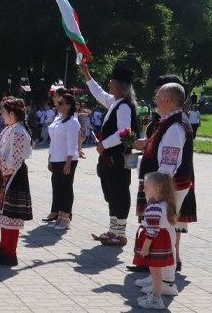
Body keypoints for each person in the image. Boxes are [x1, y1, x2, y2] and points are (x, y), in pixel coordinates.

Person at [130, 83, 195, 296]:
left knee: (164, 230)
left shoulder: (175, 126)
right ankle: (158, 275)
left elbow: (168, 164)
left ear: (168, 100)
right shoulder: (169, 122)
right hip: (165, 185)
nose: (155, 98)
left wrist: (156, 192)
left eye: (158, 95)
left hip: (169, 186)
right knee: (163, 229)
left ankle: (166, 281)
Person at [80, 62, 140, 246]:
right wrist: (87, 75)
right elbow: (99, 94)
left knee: (119, 193)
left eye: (112, 82)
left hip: (117, 158)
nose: (109, 85)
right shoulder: (116, 102)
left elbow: (125, 132)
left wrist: (103, 145)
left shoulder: (123, 106)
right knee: (111, 193)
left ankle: (120, 233)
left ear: (120, 86)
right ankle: (113, 230)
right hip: (110, 158)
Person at [0, 97, 33, 266]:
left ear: (12, 113)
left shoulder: (18, 132)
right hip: (7, 175)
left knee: (12, 216)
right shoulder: (11, 129)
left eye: (3, 112)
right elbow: (0, 150)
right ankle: (4, 246)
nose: (1, 115)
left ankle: (10, 253)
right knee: (4, 214)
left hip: (14, 176)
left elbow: (14, 162)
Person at [132, 172, 177, 310]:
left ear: (157, 189)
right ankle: (154, 295)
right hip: (162, 241)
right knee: (156, 274)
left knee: (156, 275)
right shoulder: (164, 204)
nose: (143, 190)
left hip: (155, 244)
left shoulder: (154, 208)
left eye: (146, 187)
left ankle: (156, 300)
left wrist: (145, 247)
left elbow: (152, 231)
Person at [45, 93, 80, 230]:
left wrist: (68, 162)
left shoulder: (72, 121)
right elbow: (53, 141)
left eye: (61, 103)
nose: (58, 106)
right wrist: (50, 157)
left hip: (67, 159)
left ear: (69, 105)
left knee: (66, 188)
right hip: (56, 158)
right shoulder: (58, 119)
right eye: (58, 103)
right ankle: (59, 215)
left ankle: (66, 217)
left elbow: (73, 144)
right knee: (58, 187)